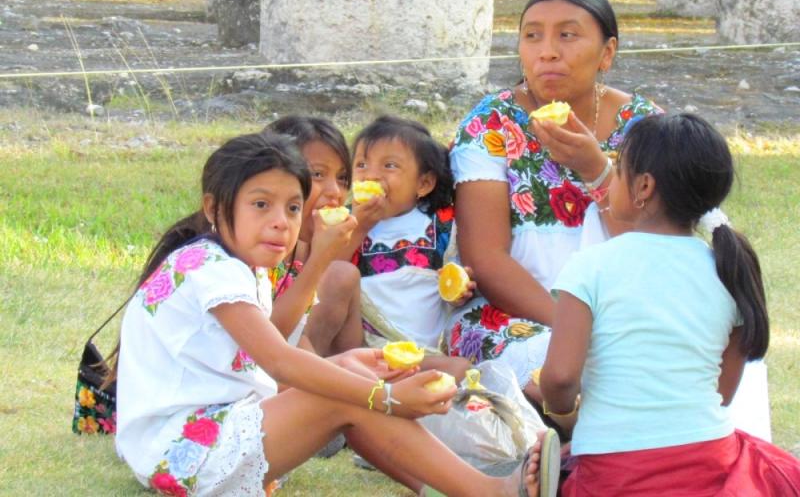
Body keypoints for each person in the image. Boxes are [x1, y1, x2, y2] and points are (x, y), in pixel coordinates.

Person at [111, 131, 557, 497]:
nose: (281, 222)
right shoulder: (213, 271)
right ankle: (491, 493)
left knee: (353, 381)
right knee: (351, 394)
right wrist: (386, 398)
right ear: (214, 207)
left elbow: (273, 335)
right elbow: (280, 361)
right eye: (261, 204)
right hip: (183, 449)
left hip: (195, 435)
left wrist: (345, 358)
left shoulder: (228, 264)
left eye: (291, 207)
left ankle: (442, 487)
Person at [540, 113, 800, 495]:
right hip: (710, 464)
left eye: (619, 168)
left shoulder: (591, 265)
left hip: (615, 474)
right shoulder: (728, 270)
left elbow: (560, 378)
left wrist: (565, 417)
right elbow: (721, 395)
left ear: (643, 186)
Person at [445, 0, 662, 395]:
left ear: (607, 53)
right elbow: (486, 259)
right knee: (557, 368)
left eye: (568, 34)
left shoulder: (646, 126)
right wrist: (571, 327)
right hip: (517, 314)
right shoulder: (491, 124)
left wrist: (597, 170)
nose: (547, 51)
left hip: (627, 309)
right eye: (532, 36)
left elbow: (661, 242)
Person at [344, 115, 474, 380]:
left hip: (424, 351)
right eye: (361, 165)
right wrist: (359, 227)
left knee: (460, 368)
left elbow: (456, 278)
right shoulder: (344, 222)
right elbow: (325, 276)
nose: (371, 175)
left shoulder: (442, 224)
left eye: (389, 166)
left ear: (424, 183)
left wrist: (459, 289)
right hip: (369, 349)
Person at [265, 115, 363, 356]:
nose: (335, 193)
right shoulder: (253, 249)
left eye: (342, 178)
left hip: (290, 370)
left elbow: (352, 355)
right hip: (252, 380)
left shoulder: (301, 249)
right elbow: (265, 352)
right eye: (318, 174)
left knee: (344, 274)